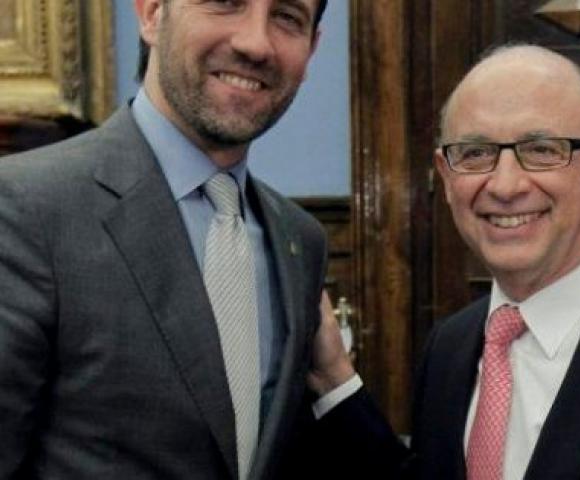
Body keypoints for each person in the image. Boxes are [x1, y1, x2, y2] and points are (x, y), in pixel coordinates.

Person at [309, 44, 580, 479]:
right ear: (446, 177)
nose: (505, 186)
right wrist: (335, 380)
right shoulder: (449, 347)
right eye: (475, 153)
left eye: (542, 149)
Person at [0, 0, 332, 478]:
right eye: (225, 3)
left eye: (287, 17)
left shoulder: (300, 240)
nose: (256, 43)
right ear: (152, 12)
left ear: (311, 48)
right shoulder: (26, 209)